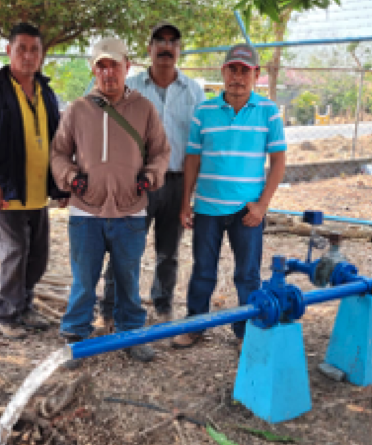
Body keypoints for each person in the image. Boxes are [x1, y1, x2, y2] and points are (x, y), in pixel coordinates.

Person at [51, 37, 171, 367]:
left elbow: (161, 151)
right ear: (93, 69)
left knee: (127, 277)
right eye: (101, 66)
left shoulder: (144, 108)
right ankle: (76, 336)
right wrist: (71, 177)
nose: (108, 73)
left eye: (113, 65)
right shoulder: (77, 109)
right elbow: (59, 153)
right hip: (85, 211)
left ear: (126, 66)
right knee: (83, 279)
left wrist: (151, 175)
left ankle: (131, 333)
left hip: (130, 211)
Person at [171, 43, 287, 348]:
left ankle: (245, 330)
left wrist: (262, 205)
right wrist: (186, 202)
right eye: (232, 70)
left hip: (246, 211)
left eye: (244, 71)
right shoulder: (204, 111)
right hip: (207, 206)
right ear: (223, 72)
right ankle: (196, 324)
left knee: (248, 275)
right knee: (202, 270)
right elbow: (193, 159)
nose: (238, 77)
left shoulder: (268, 112)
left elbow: (278, 161)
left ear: (256, 75)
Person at [99, 21, 206, 329]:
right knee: (123, 247)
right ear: (149, 49)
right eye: (159, 40)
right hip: (136, 183)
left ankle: (162, 304)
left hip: (176, 182)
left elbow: (199, 144)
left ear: (179, 50)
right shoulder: (129, 87)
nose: (166, 46)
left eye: (173, 42)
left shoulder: (193, 91)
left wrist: (191, 192)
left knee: (169, 252)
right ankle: (108, 308)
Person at [0, 23, 70, 339]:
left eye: (35, 50)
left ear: (42, 55)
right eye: (22, 49)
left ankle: (25, 305)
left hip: (37, 192)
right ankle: (7, 315)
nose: (28, 56)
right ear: (9, 51)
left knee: (38, 256)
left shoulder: (46, 91)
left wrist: (60, 186)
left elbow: (58, 142)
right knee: (15, 252)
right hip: (7, 191)